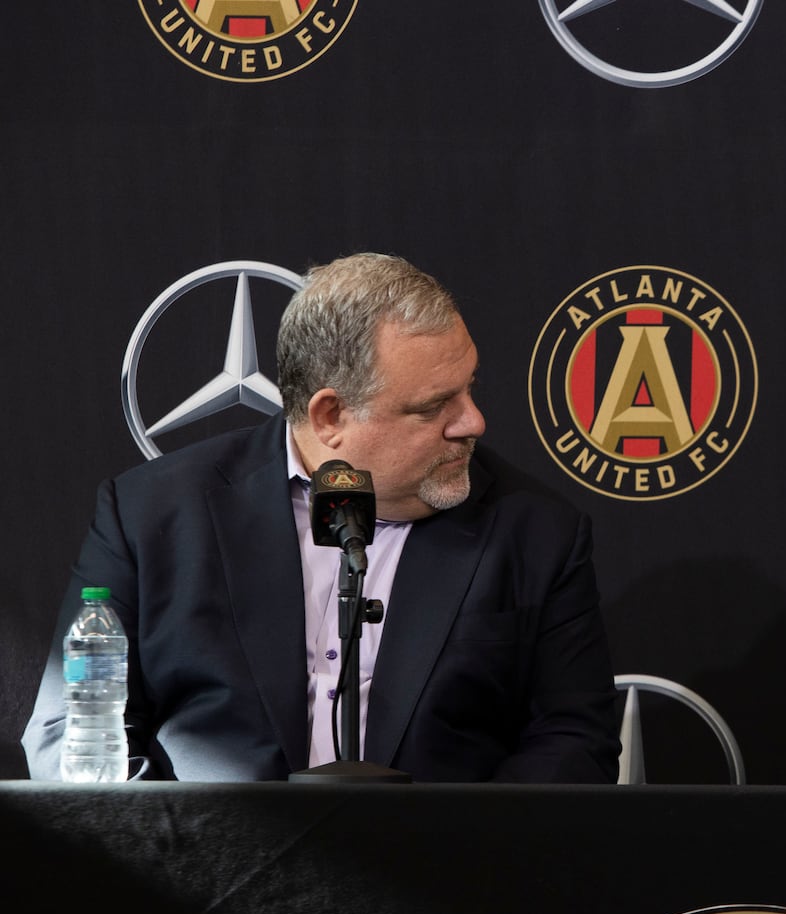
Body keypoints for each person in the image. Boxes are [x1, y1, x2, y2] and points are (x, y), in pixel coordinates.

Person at [24, 252, 621, 782]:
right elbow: (68, 733)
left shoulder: (536, 531)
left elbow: (573, 743)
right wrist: (189, 866)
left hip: (436, 886)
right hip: (202, 881)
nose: (472, 422)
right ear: (330, 415)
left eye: (468, 389)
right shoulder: (151, 514)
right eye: (435, 406)